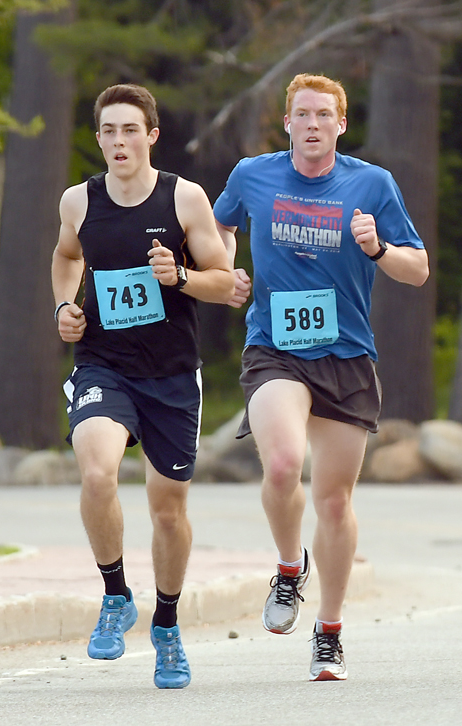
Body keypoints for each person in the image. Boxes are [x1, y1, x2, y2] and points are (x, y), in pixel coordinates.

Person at [213, 73, 429, 681]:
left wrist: (378, 248)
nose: (313, 124)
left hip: (346, 355)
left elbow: (417, 269)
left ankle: (329, 632)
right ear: (287, 123)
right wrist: (226, 269)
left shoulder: (372, 184)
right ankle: (289, 568)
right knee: (283, 465)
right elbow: (218, 226)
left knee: (334, 502)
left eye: (324, 115)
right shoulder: (251, 175)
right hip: (274, 348)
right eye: (303, 114)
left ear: (341, 124)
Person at [51, 83, 234, 689]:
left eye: (130, 129)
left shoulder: (184, 198)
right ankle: (115, 595)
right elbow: (67, 257)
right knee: (97, 472)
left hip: (172, 373)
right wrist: (64, 306)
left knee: (168, 510)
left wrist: (179, 275)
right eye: (109, 131)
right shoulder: (79, 201)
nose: (119, 141)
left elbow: (223, 280)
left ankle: (168, 627)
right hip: (103, 364)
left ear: (151, 136)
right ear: (99, 138)